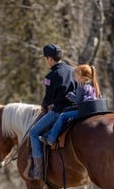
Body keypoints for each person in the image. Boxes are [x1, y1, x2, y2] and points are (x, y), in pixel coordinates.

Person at [24, 43, 77, 180]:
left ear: (49, 59)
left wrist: (45, 105)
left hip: (59, 112)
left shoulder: (50, 76)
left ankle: (39, 170)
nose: (46, 61)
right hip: (76, 109)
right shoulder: (74, 70)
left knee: (33, 132)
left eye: (45, 58)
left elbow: (48, 99)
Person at [39, 64, 101, 147]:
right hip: (92, 109)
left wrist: (71, 95)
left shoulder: (81, 86)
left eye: (76, 76)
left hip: (84, 111)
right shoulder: (93, 85)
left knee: (63, 116)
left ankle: (51, 138)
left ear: (81, 76)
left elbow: (78, 101)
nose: (75, 78)